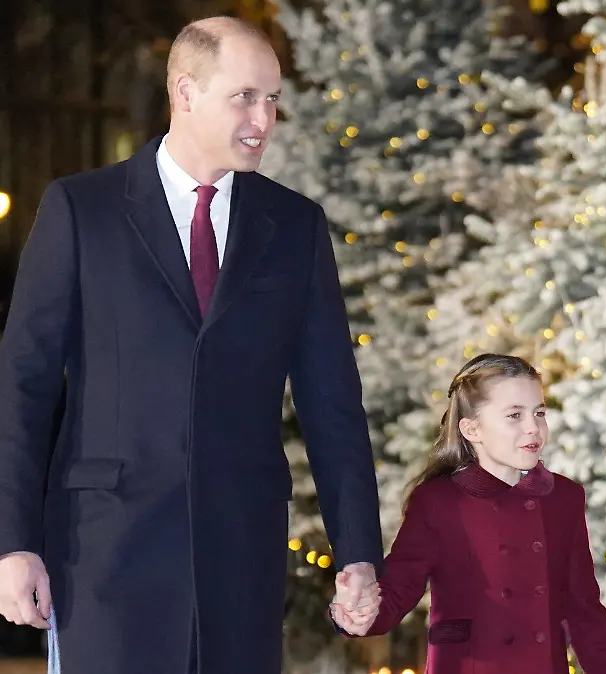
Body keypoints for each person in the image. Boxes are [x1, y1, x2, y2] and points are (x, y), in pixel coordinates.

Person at [0, 17, 383, 673]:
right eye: (245, 97)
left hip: (242, 557)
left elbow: (332, 402)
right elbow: (21, 386)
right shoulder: (81, 210)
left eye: (273, 100)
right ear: (185, 92)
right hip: (103, 556)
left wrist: (357, 551)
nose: (264, 119)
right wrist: (13, 544)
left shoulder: (294, 226)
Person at [329, 354, 606, 674]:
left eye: (539, 413)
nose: (534, 427)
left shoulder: (563, 499)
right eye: (514, 415)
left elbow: (584, 610)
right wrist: (356, 612)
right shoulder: (438, 502)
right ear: (472, 428)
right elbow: (397, 592)